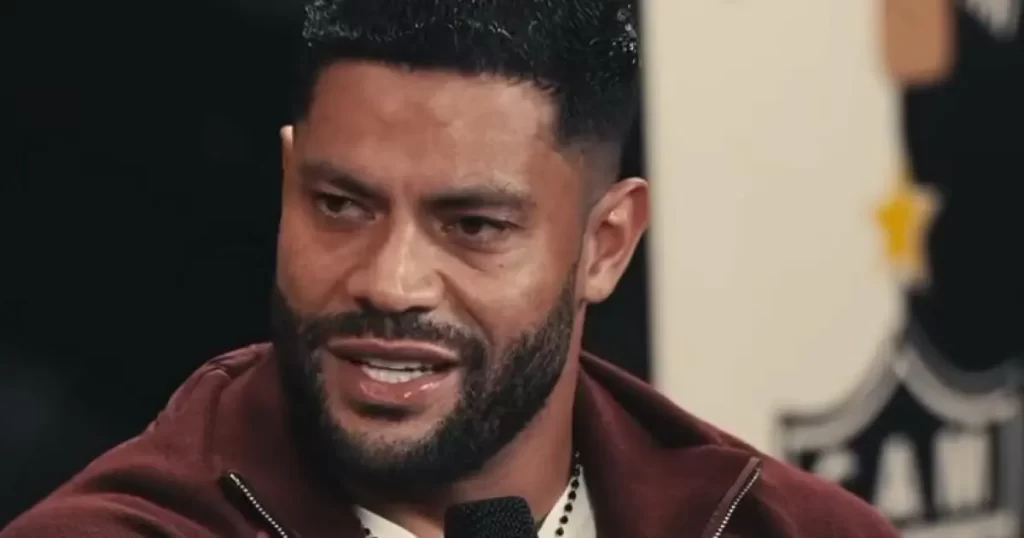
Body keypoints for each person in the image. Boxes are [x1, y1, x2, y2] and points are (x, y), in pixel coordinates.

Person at [1, 0, 901, 536]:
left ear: (606, 244)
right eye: (340, 205)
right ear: (286, 183)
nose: (391, 283)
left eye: (472, 225)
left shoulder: (796, 530)